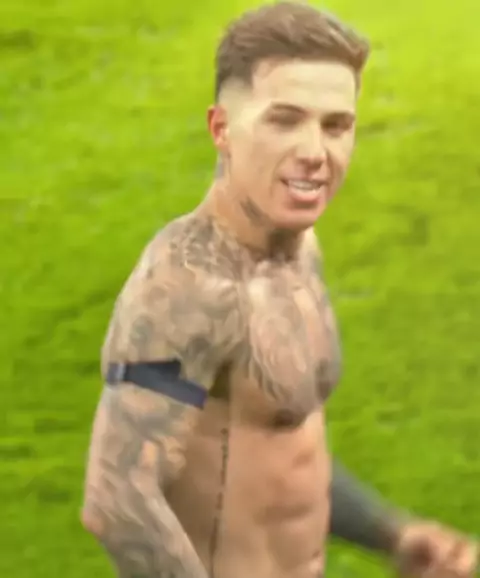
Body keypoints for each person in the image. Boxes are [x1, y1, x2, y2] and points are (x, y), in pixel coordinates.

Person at [80, 3, 478, 578]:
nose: (315, 152)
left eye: (336, 125)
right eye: (284, 120)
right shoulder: (187, 288)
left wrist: (391, 533)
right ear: (221, 129)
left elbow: (278, 447)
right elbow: (117, 501)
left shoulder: (299, 250)